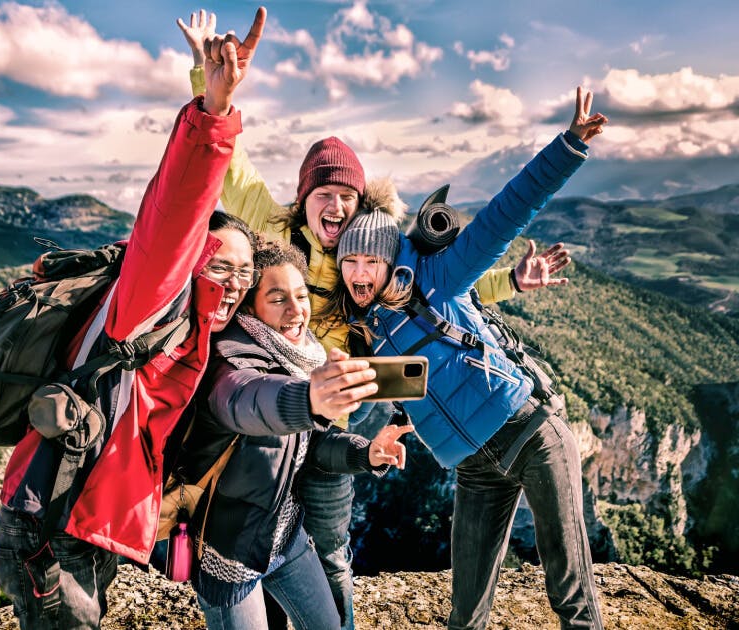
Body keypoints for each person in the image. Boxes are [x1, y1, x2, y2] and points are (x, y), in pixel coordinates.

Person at [175, 12, 571, 628]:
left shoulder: (377, 258)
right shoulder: (274, 227)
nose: (335, 205)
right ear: (303, 197)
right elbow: (228, 163)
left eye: (347, 197)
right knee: (264, 527)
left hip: (343, 405)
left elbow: (444, 286)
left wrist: (513, 281)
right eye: (323, 193)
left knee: (326, 543)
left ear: (361, 207)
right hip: (271, 399)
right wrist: (209, 79)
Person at [0, 9, 267, 628]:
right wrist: (214, 110)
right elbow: (174, 211)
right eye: (222, 265)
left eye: (245, 274)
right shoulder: (150, 300)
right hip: (50, 534)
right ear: (191, 261)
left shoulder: (196, 332)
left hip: (82, 530)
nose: (235, 283)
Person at [326, 88, 608, 630]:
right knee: (465, 612)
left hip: (530, 433)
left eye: (369, 260)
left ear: (388, 261)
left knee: (569, 591)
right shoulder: (365, 333)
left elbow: (504, 216)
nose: (359, 273)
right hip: (475, 469)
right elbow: (408, 398)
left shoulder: (440, 280)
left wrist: (568, 147)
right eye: (348, 263)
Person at [180, 240, 413, 630]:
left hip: (284, 533)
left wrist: (365, 453)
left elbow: (314, 446)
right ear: (250, 307)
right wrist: (308, 398)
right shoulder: (228, 360)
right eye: (277, 299)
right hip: (230, 554)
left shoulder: (302, 354)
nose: (296, 310)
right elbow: (246, 400)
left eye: (301, 295)